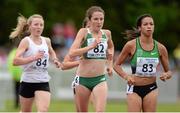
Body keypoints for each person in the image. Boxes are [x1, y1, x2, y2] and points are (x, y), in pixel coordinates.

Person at [113, 14, 172, 112]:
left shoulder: (161, 48)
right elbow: (116, 65)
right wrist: (126, 77)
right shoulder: (131, 45)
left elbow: (169, 72)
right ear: (140, 28)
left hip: (151, 88)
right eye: (145, 24)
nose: (149, 26)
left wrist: (166, 75)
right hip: (134, 88)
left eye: (151, 24)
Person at [9, 14, 61, 112]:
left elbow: (51, 51)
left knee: (43, 110)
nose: (39, 27)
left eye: (41, 25)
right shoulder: (26, 41)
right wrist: (33, 57)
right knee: (25, 111)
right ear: (30, 26)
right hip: (27, 81)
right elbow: (15, 61)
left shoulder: (47, 40)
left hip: (43, 80)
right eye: (36, 24)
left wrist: (55, 60)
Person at [67, 6, 114, 112]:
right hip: (83, 80)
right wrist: (90, 47)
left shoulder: (107, 33)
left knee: (100, 111)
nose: (99, 22)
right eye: (96, 19)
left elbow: (111, 47)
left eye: (101, 19)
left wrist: (110, 64)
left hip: (100, 79)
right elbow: (71, 53)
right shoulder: (83, 32)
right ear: (90, 20)